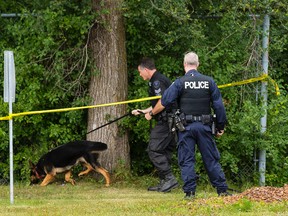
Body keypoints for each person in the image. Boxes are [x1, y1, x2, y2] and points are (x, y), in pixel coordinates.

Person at [146, 52, 230, 199]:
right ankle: (222, 190)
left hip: (185, 127)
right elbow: (219, 106)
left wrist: (155, 112)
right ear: (198, 64)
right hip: (204, 126)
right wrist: (220, 126)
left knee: (187, 160)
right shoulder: (209, 81)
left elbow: (165, 101)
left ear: (184, 64)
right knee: (211, 159)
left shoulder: (179, 82)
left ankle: (190, 193)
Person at [131, 57, 178, 193]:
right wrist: (143, 111)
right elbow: (159, 103)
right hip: (170, 120)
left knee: (154, 149)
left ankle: (169, 178)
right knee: (164, 151)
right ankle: (165, 182)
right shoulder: (158, 79)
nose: (140, 75)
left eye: (140, 72)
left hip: (166, 121)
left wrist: (151, 114)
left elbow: (163, 102)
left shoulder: (157, 81)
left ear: (146, 70)